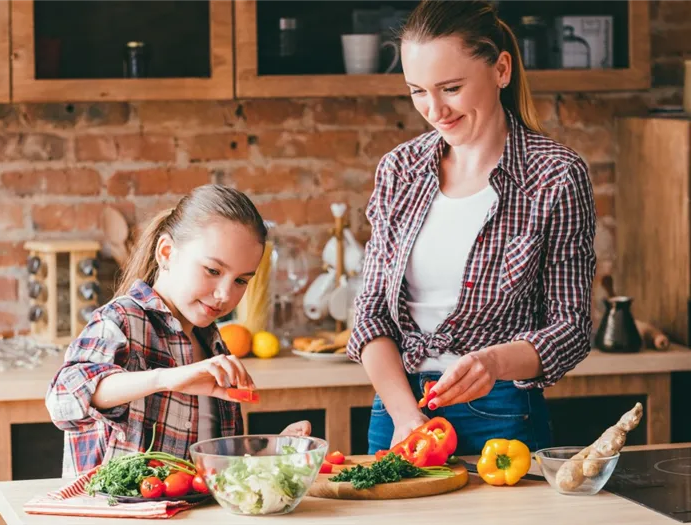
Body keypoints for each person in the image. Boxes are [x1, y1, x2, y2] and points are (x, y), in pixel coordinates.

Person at [347, 0, 596, 456]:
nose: (434, 109)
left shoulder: (555, 175)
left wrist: (493, 362)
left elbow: (571, 327)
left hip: (500, 410)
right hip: (397, 410)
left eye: (451, 88)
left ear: (501, 70)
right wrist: (406, 416)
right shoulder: (398, 170)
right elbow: (370, 315)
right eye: (417, 91)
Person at [46, 184, 310, 476]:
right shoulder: (121, 320)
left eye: (240, 281)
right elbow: (62, 399)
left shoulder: (212, 341)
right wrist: (168, 378)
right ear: (167, 253)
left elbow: (209, 465)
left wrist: (270, 452)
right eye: (213, 270)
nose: (225, 295)